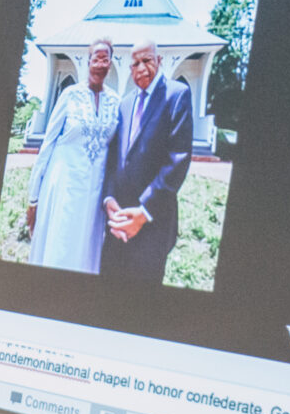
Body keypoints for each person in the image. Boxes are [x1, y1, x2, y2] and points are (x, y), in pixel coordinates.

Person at [24, 38, 121, 274]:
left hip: (93, 196)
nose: (100, 64)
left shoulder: (116, 102)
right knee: (59, 249)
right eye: (96, 58)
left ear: (110, 64)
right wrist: (33, 198)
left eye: (105, 59)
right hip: (63, 189)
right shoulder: (70, 95)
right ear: (88, 62)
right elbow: (48, 144)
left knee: (84, 256)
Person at [101, 40, 194, 283]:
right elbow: (114, 157)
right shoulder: (125, 104)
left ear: (159, 61)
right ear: (130, 69)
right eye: (135, 63)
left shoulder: (176, 95)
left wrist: (143, 212)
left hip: (152, 224)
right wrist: (109, 198)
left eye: (147, 60)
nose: (141, 68)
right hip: (118, 223)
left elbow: (178, 159)